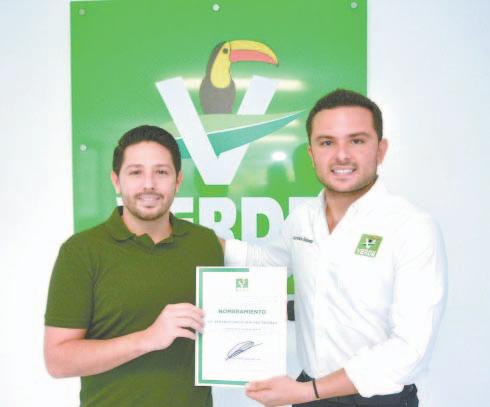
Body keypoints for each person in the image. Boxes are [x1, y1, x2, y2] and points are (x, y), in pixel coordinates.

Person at [224, 89, 447, 407]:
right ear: (312, 153)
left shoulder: (412, 227)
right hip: (310, 394)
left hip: (375, 400)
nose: (341, 155)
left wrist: (308, 391)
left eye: (357, 141)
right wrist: (186, 235)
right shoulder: (303, 218)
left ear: (381, 150)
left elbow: (410, 349)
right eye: (327, 142)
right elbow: (264, 262)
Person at [44, 125, 223, 406]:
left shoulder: (205, 243)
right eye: (136, 172)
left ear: (178, 180)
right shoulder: (81, 251)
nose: (149, 184)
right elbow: (57, 361)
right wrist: (147, 339)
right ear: (116, 181)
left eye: (161, 172)